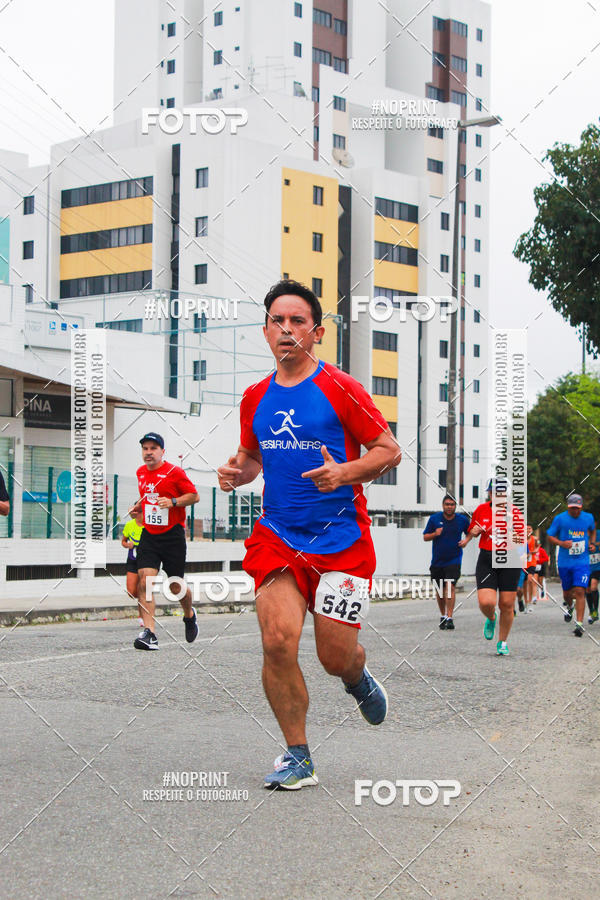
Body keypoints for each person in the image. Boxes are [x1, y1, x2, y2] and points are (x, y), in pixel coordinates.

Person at [217, 279, 400, 790]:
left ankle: (356, 677)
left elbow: (388, 450)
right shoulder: (255, 397)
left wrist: (344, 473)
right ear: (265, 330)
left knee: (333, 656)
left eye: (298, 321)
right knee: (278, 641)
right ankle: (299, 755)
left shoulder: (341, 388)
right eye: (278, 320)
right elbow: (253, 458)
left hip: (342, 542)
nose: (287, 329)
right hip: (279, 536)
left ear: (316, 332)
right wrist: (239, 472)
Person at [129, 432, 200, 650]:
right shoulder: (140, 473)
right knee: (145, 580)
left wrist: (173, 501)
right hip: (150, 534)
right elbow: (148, 498)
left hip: (173, 536)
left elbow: (194, 496)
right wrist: (139, 509)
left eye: (153, 448)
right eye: (145, 449)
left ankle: (189, 614)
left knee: (175, 585)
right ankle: (150, 633)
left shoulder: (174, 472)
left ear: (162, 451)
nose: (148, 452)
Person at [459, 477, 523, 656]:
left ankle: (502, 642)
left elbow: (520, 539)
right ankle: (491, 618)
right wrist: (469, 537)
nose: (497, 496)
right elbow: (473, 530)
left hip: (509, 560)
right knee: (486, 602)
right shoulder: (481, 510)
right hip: (487, 559)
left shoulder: (515, 512)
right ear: (489, 493)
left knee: (507, 604)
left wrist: (511, 529)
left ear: (507, 494)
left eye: (501, 492)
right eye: (493, 492)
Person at [547, 494, 596, 637]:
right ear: (568, 507)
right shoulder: (560, 519)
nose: (575, 511)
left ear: (581, 507)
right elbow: (550, 535)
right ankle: (570, 605)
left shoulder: (588, 518)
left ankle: (579, 624)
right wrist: (561, 543)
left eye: (577, 508)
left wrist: (591, 543)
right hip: (564, 562)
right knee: (567, 593)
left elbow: (592, 530)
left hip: (582, 561)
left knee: (580, 591)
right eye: (572, 508)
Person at [422, 495, 470, 630]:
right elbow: (425, 537)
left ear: (455, 506)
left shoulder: (462, 520)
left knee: (450, 587)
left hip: (454, 559)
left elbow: (470, 532)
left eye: (452, 505)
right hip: (437, 561)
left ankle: (450, 617)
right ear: (443, 505)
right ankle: (443, 615)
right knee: (439, 591)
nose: (449, 507)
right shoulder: (434, 519)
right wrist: (435, 534)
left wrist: (466, 541)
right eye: (447, 504)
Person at [121, 509, 145, 626]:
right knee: (132, 592)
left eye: (138, 511)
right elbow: (123, 541)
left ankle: (142, 616)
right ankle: (143, 598)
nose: (135, 514)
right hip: (132, 559)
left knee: (143, 588)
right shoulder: (130, 525)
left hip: (146, 561)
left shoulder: (149, 526)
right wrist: (127, 545)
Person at [586, 550, 600, 624]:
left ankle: (595, 610)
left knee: (593, 587)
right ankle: (591, 610)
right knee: (587, 590)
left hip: (597, 568)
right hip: (586, 568)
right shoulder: (584, 538)